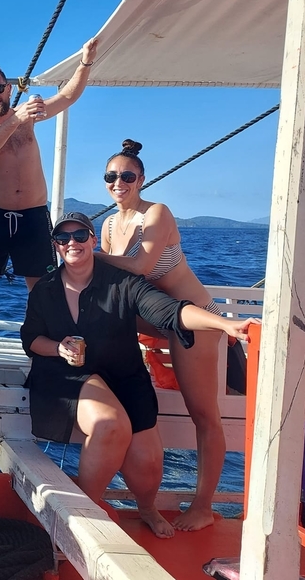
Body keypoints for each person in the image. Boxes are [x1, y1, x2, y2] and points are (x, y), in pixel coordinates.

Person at [20, 212, 253, 538]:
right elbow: (31, 339)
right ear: (56, 245)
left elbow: (171, 311)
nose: (72, 242)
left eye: (80, 235)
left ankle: (146, 508)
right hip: (65, 375)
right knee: (110, 424)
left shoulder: (121, 282)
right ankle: (77, 518)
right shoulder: (45, 289)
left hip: (122, 376)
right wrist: (59, 348)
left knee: (149, 465)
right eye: (63, 237)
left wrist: (225, 324)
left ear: (93, 240)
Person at [96, 139, 227, 531]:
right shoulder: (108, 225)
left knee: (204, 415)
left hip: (192, 321)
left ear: (141, 179)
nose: (119, 183)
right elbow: (111, 282)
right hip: (154, 323)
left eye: (127, 176)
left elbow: (140, 266)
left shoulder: (156, 213)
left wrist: (88, 254)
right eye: (111, 176)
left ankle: (203, 506)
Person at [0, 38, 98, 290]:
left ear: (9, 89)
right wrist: (16, 119)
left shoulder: (27, 115)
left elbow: (67, 96)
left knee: (42, 288)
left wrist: (85, 62)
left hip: (34, 215)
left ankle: (40, 320)